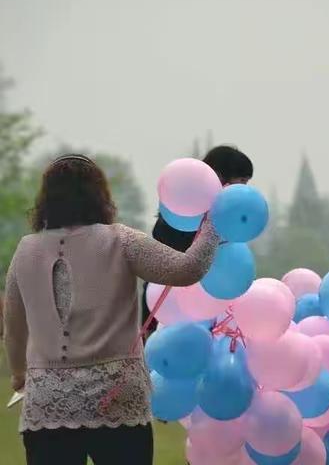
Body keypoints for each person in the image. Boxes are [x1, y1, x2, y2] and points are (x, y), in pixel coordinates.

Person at [3, 154, 219, 465]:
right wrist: (212, 226)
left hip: (48, 400)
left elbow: (14, 327)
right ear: (99, 195)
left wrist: (19, 375)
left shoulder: (26, 250)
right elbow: (187, 269)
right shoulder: (121, 240)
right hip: (117, 396)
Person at [141, 145, 253, 337]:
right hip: (168, 313)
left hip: (212, 314)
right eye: (241, 181)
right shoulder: (179, 218)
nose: (245, 189)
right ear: (220, 177)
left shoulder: (224, 223)